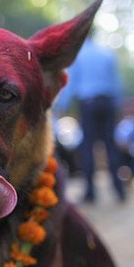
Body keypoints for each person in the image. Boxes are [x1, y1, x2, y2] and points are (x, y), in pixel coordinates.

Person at [55, 35, 126, 203]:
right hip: (107, 102)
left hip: (88, 103)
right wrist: (119, 106)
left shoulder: (79, 55)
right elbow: (117, 83)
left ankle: (90, 193)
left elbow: (70, 83)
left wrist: (61, 105)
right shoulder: (107, 53)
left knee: (88, 147)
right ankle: (120, 191)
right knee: (111, 146)